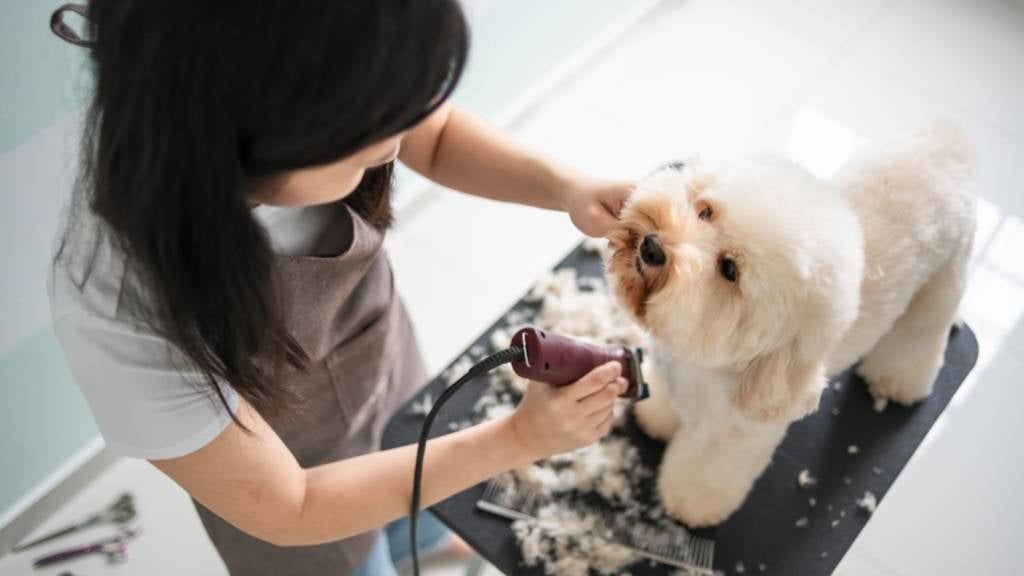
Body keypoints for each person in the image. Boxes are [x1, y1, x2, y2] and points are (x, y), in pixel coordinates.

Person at [49, 1, 633, 574]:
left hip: (374, 359)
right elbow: (292, 505)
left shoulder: (331, 70)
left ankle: (422, 540)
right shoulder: (122, 303)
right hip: (295, 492)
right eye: (374, 137)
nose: (395, 145)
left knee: (425, 486)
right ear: (264, 136)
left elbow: (432, 133)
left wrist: (566, 188)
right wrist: (516, 439)